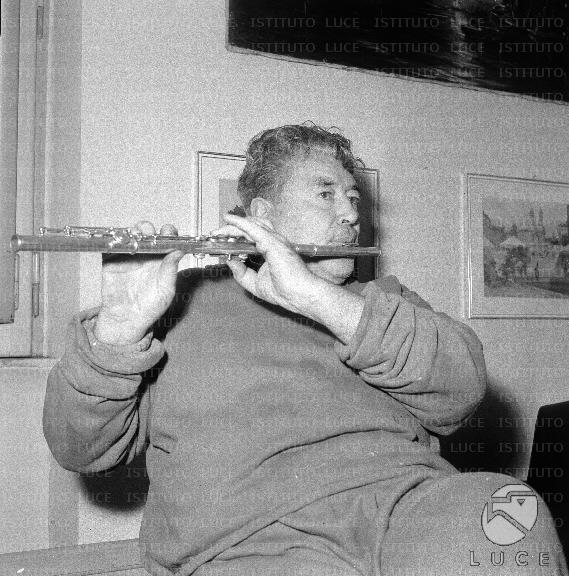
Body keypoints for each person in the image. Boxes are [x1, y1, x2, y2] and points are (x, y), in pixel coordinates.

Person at [43, 124, 567, 576]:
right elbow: (79, 449)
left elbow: (462, 389)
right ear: (263, 216)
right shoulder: (180, 307)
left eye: (353, 198)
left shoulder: (382, 301)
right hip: (251, 540)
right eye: (326, 194)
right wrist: (117, 333)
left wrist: (318, 298)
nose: (350, 214)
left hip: (405, 510)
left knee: (505, 513)